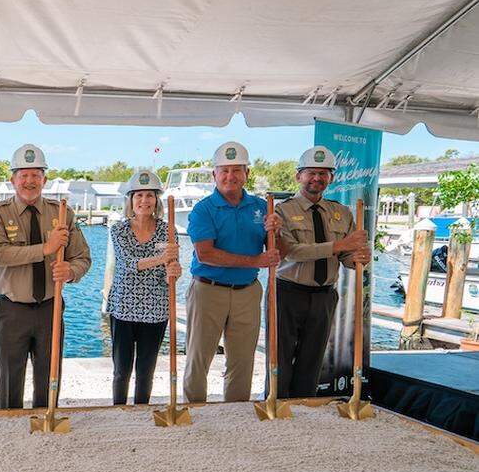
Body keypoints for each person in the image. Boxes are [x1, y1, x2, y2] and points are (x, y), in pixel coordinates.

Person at [0, 143, 91, 410]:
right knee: (9, 381)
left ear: (44, 179)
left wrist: (71, 271)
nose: (29, 181)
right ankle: (9, 432)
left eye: (35, 175)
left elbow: (83, 258)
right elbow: (2, 255)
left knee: (50, 378)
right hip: (11, 310)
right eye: (24, 175)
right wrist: (46, 248)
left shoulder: (62, 213)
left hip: (50, 309)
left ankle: (47, 430)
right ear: (13, 180)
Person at [182, 141, 281, 404]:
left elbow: (275, 254)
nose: (230, 176)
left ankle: (235, 415)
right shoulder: (203, 209)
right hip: (207, 290)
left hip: (247, 293)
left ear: (247, 174)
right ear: (214, 175)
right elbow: (206, 254)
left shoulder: (262, 208)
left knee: (242, 360)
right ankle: (195, 412)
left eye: (237, 170)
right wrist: (255, 261)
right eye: (224, 171)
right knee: (198, 357)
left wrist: (276, 232)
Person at [273, 146, 372, 398]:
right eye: (310, 173)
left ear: (332, 178)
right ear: (298, 176)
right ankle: (277, 406)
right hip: (287, 292)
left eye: (323, 173)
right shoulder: (282, 211)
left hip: (324, 295)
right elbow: (292, 252)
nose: (316, 178)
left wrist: (358, 258)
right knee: (279, 358)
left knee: (312, 359)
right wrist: (341, 246)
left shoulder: (342, 213)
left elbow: (347, 257)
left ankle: (304, 407)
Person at [106, 170, 182, 405]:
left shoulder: (168, 231)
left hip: (156, 310)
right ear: (130, 200)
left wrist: (175, 271)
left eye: (149, 195)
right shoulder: (118, 230)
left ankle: (141, 411)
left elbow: (171, 270)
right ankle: (118, 411)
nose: (144, 201)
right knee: (121, 370)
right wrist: (161, 259)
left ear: (156, 200)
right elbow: (128, 264)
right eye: (138, 195)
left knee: (146, 370)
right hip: (123, 308)